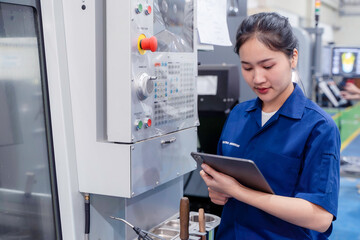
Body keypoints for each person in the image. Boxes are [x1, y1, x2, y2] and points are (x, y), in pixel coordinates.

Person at [199, 12, 341, 239]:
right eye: (247, 68)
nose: (257, 79)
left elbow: (320, 218)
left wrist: (240, 192)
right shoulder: (238, 115)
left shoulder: (318, 127)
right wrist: (218, 192)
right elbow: (223, 185)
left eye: (267, 66)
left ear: (293, 57)